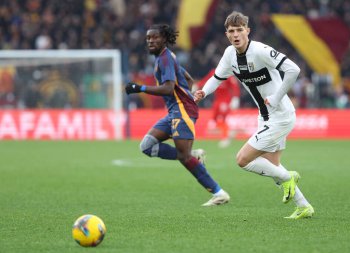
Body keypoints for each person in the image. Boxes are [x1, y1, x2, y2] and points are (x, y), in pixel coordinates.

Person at [194, 11, 314, 219]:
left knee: (243, 159)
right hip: (266, 116)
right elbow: (217, 77)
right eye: (231, 31)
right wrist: (204, 91)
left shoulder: (260, 51)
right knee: (272, 166)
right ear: (227, 34)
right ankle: (304, 206)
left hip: (281, 116)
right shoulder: (230, 54)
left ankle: (289, 177)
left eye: (240, 30)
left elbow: (293, 69)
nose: (235, 34)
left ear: (248, 31)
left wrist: (276, 97)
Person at [125, 24, 230, 206]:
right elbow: (188, 79)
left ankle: (219, 193)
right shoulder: (166, 58)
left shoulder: (165, 59)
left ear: (164, 39)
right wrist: (185, 98)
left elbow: (167, 88)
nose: (151, 41)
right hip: (177, 110)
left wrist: (139, 88)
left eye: (155, 38)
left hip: (181, 110)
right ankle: (194, 155)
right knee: (147, 145)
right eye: (148, 38)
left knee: (184, 157)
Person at [195, 69, 240, 148]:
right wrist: (198, 85)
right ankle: (228, 132)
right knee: (214, 119)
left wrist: (235, 98)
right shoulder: (213, 72)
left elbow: (234, 86)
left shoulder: (228, 74)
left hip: (225, 100)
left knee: (222, 119)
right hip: (217, 100)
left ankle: (225, 137)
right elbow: (206, 80)